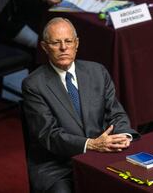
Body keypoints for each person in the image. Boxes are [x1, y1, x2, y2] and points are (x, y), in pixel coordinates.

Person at [22, 17, 138, 192]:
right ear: (45, 47)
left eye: (68, 41)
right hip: (59, 165)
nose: (63, 48)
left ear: (77, 44)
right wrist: (90, 144)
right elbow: (49, 135)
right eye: (56, 42)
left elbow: (116, 114)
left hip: (102, 154)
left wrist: (122, 137)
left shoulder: (97, 72)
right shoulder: (34, 84)